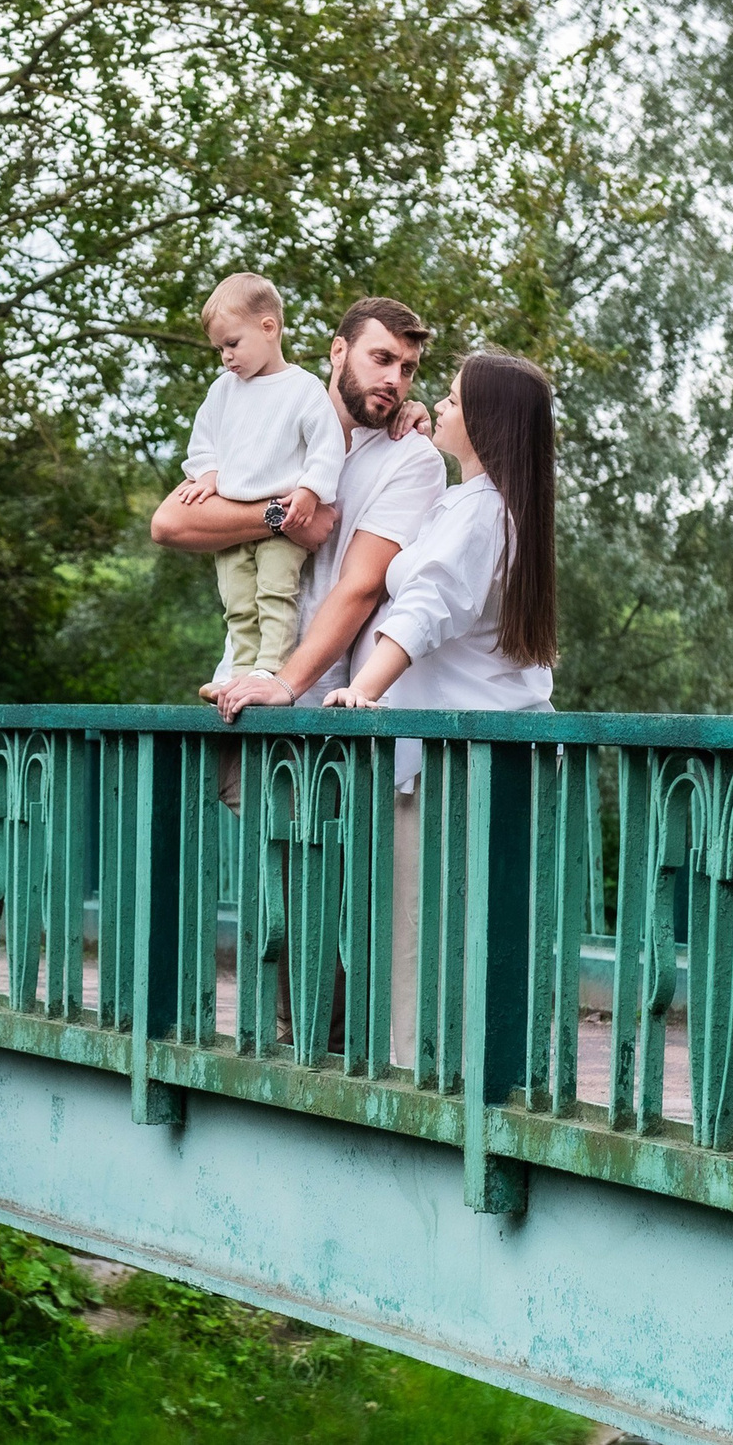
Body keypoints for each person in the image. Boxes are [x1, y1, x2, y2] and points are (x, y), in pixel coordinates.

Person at [318, 350, 559, 1069]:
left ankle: (421, 1093)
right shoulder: (489, 505)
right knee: (478, 942)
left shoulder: (480, 513)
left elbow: (426, 607)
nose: (437, 405)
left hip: (451, 772)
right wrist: (425, 433)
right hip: (495, 761)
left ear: (486, 423)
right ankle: (482, 1087)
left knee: (420, 947)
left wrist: (365, 687)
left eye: (452, 399)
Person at [156, 297, 444, 712]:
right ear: (338, 351)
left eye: (407, 369)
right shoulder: (269, 413)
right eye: (381, 359)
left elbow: (361, 587)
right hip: (232, 690)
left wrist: (284, 686)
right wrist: (282, 518)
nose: (393, 380)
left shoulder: (412, 457)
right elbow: (169, 523)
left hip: (320, 706)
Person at [175, 274, 346, 682]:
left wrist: (310, 491)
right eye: (220, 349)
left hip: (282, 521)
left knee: (275, 593)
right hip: (231, 519)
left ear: (268, 328)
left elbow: (327, 446)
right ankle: (240, 672)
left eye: (232, 344)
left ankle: (269, 667)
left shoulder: (303, 389)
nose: (226, 357)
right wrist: (208, 474)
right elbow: (203, 441)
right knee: (237, 602)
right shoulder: (223, 391)